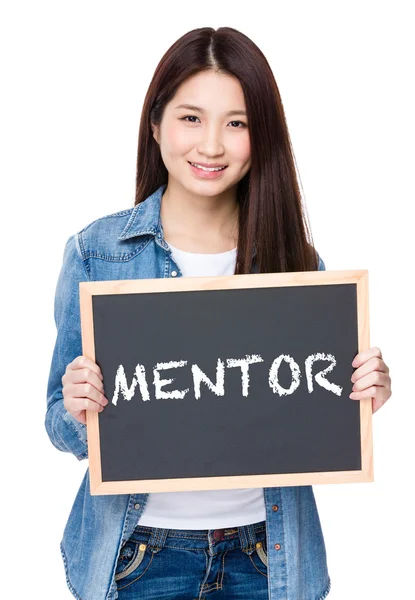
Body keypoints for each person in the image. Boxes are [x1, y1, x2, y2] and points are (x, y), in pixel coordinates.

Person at [45, 26, 392, 600]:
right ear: (155, 124)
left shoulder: (296, 262)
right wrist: (79, 408)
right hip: (138, 558)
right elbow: (58, 422)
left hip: (268, 555)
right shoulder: (96, 254)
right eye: (190, 118)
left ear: (262, 137)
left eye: (237, 123)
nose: (211, 145)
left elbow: (314, 408)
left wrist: (362, 394)